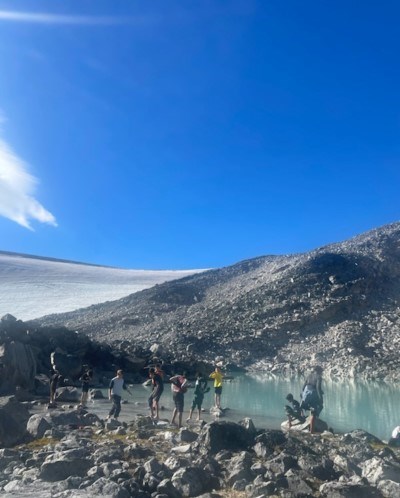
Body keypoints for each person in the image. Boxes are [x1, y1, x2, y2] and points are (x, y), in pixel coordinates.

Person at [300, 365, 324, 434]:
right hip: (312, 394)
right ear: (319, 371)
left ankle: (308, 423)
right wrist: (321, 399)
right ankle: (312, 431)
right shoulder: (319, 377)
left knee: (310, 408)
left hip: (305, 394)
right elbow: (318, 389)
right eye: (321, 371)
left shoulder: (309, 375)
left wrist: (303, 396)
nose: (321, 373)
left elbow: (303, 387)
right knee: (316, 410)